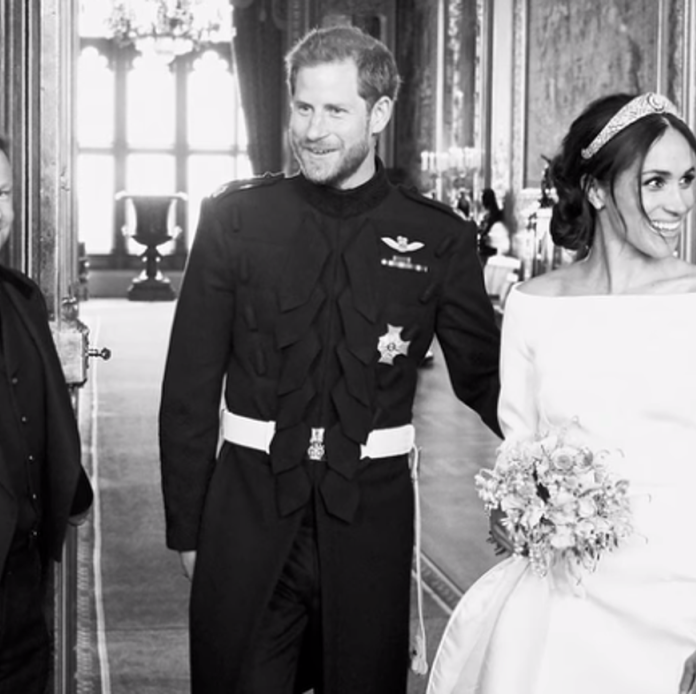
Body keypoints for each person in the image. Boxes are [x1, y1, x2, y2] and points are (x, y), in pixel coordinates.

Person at [158, 25, 501, 694]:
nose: (313, 130)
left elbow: (488, 381)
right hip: (246, 510)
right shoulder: (234, 220)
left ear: (379, 114)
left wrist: (573, 443)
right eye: (303, 108)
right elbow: (189, 387)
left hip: (370, 522)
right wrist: (188, 529)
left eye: (335, 110)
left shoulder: (439, 236)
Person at [427, 92, 696, 694]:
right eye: (656, 182)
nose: (680, 203)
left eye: (689, 181)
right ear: (595, 190)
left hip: (681, 594)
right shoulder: (533, 306)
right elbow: (519, 449)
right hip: (563, 595)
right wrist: (516, 518)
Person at [0, 125, 93, 692]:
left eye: (1, 194)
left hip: (25, 578)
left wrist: (71, 492)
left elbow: (46, 410)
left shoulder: (22, 297)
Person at [477, 188, 510, 262]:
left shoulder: (492, 215)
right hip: (486, 249)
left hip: (490, 250)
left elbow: (486, 230)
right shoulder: (489, 214)